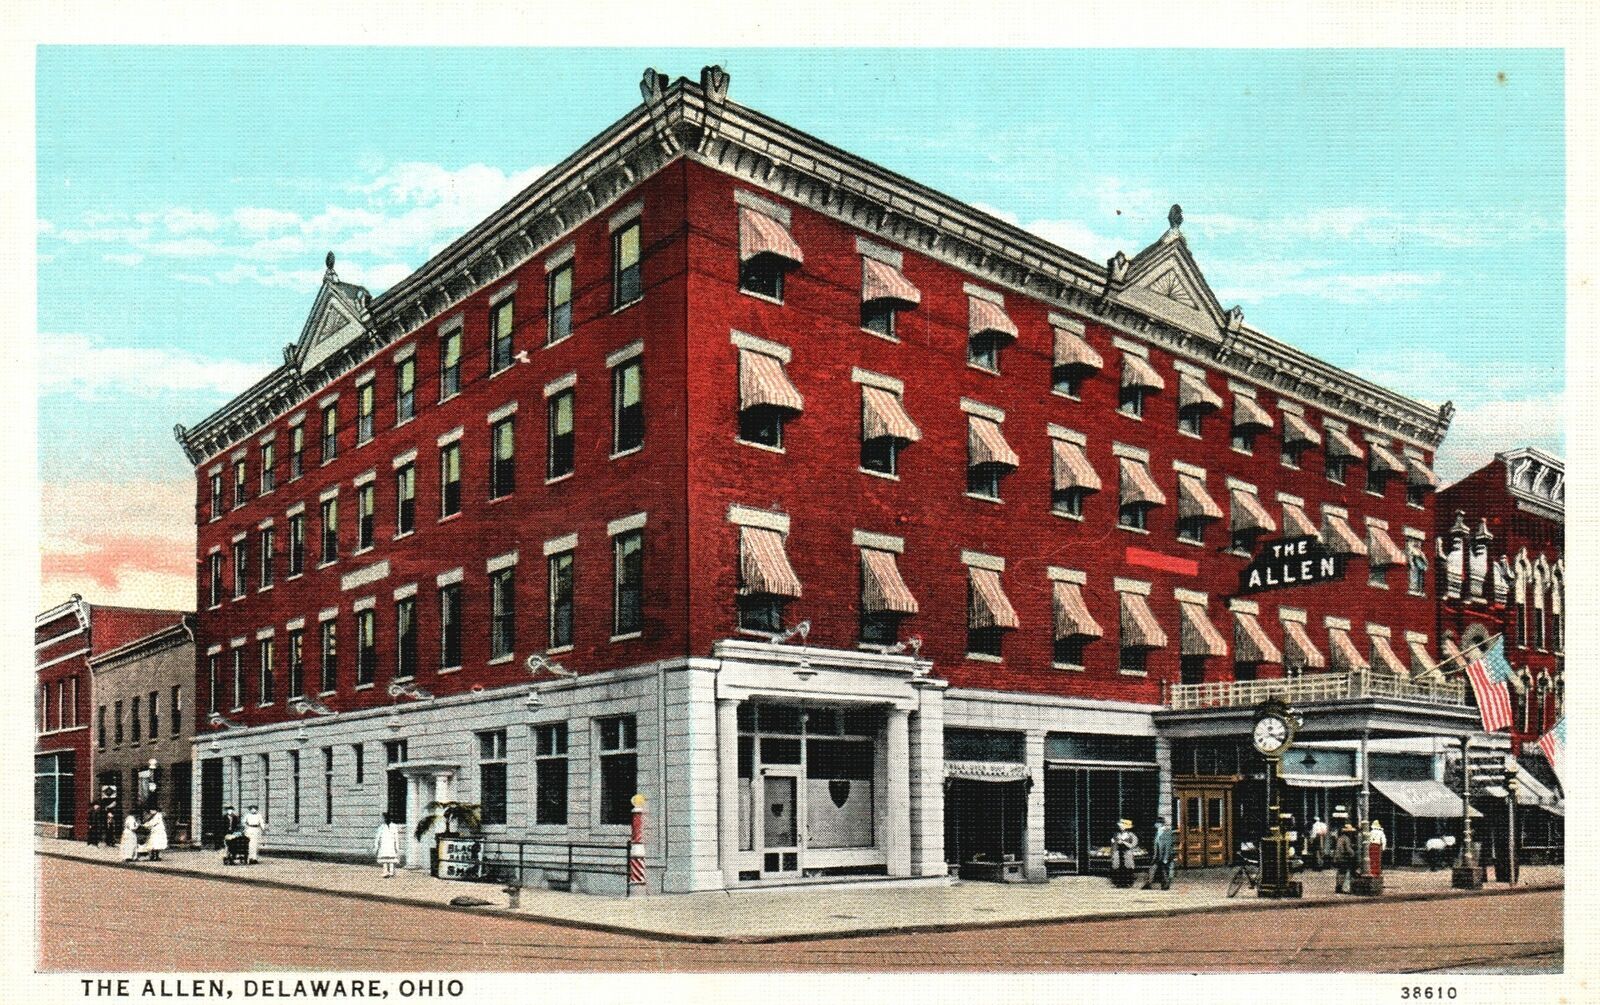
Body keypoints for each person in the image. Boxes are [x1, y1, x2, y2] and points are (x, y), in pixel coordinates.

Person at [1143, 815, 1175, 890]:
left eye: (1157, 823)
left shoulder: (1167, 833)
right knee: (1153, 869)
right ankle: (1149, 884)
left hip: (1164, 856)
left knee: (1164, 870)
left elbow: (1168, 846)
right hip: (1158, 855)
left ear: (1161, 824)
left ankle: (1165, 885)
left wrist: (1166, 858)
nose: (1155, 825)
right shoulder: (1158, 832)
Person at [1110, 818, 1140, 888]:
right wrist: (1115, 842)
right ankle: (1118, 883)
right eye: (1120, 826)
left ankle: (1128, 883)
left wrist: (1124, 842)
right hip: (1117, 853)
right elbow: (1112, 843)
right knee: (1117, 867)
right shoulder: (1116, 834)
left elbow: (1133, 844)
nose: (1120, 827)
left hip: (1127, 853)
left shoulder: (1131, 835)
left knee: (1128, 868)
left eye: (1122, 826)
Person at [373, 813, 401, 878]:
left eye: (383, 818)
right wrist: (376, 846)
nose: (383, 819)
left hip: (391, 844)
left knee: (391, 859)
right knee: (384, 859)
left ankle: (391, 872)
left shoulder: (394, 826)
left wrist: (397, 847)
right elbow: (377, 837)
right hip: (384, 844)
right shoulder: (381, 827)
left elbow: (396, 837)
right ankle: (385, 872)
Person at [1333, 822, 1358, 893]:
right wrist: (1353, 854)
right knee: (1344, 873)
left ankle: (1338, 887)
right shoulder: (1346, 839)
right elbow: (1348, 849)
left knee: (1340, 872)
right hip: (1343, 857)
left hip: (1337, 857)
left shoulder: (1340, 838)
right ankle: (1343, 888)